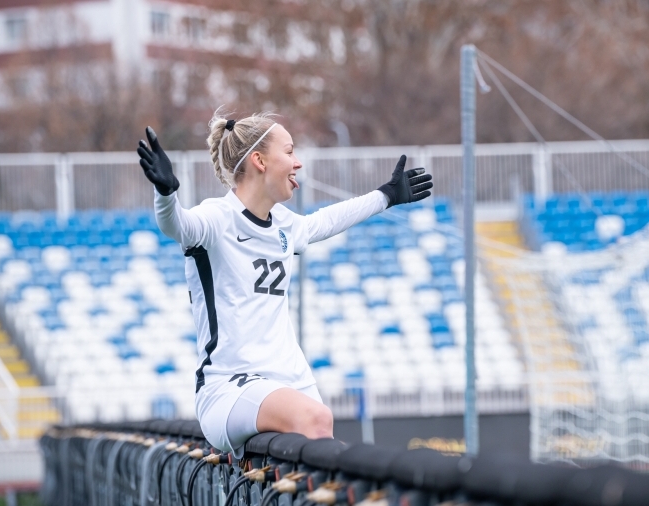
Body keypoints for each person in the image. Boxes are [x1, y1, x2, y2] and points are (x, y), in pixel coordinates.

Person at [136, 112, 432, 457]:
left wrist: (386, 196)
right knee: (318, 421)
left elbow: (326, 221)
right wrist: (165, 194)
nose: (298, 163)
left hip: (288, 379)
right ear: (259, 161)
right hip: (230, 387)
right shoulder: (217, 217)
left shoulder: (284, 225)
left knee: (329, 461)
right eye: (289, 152)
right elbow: (177, 226)